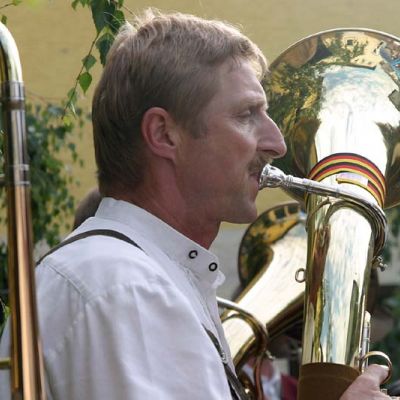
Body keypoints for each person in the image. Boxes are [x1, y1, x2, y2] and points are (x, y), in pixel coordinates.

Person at [0, 8, 391, 400]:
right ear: (163, 134)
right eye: (247, 115)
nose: (278, 144)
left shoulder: (139, 278)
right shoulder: (127, 286)